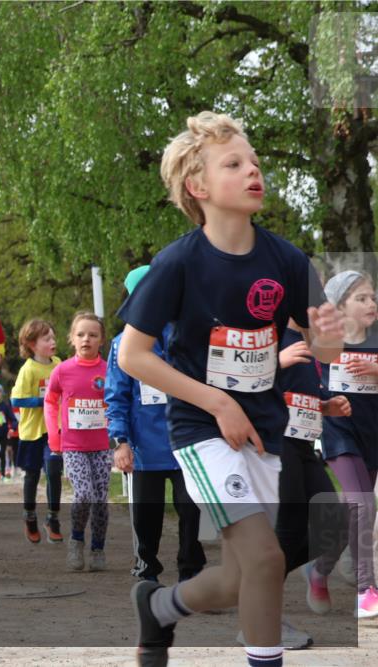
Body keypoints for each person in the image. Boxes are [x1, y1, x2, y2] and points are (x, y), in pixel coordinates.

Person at [117, 111, 343, 667]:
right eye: (234, 164)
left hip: (264, 431)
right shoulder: (176, 263)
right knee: (267, 559)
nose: (253, 171)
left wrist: (332, 339)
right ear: (198, 187)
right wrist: (217, 402)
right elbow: (132, 356)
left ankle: (160, 607)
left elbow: (327, 352)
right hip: (202, 430)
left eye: (256, 163)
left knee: (240, 577)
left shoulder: (288, 260)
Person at [106, 266, 206, 585]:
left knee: (192, 510)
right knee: (146, 516)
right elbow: (116, 396)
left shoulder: (186, 338)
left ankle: (191, 571)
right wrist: (120, 441)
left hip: (185, 441)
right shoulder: (122, 344)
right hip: (144, 446)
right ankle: (147, 569)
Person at [268, 320, 351, 648]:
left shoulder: (312, 340)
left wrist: (326, 406)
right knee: (288, 532)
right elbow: (233, 383)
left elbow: (300, 394)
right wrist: (277, 362)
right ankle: (261, 618)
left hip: (303, 443)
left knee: (337, 526)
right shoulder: (266, 331)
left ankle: (254, 585)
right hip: (274, 442)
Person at [315, 271, 378, 618]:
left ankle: (319, 569)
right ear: (339, 307)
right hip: (339, 431)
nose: (372, 303)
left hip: (372, 432)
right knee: (364, 503)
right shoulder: (324, 342)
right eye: (362, 298)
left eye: (373, 297)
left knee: (353, 512)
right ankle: (367, 589)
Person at [45, 312, 111, 571]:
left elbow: (117, 402)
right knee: (84, 494)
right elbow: (50, 401)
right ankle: (76, 540)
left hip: (102, 445)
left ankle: (97, 548)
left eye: (93, 335)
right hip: (72, 446)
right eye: (81, 334)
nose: (87, 339)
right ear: (72, 339)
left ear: (101, 340)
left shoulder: (109, 371)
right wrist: (54, 435)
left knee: (100, 499)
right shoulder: (62, 370)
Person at [11, 318, 63, 543]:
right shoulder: (28, 369)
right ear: (32, 344)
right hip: (32, 430)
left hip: (54, 429)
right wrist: (43, 400)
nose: (53, 341)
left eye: (53, 337)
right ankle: (30, 516)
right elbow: (17, 399)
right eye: (47, 338)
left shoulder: (59, 363)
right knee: (32, 475)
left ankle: (53, 518)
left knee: (53, 472)